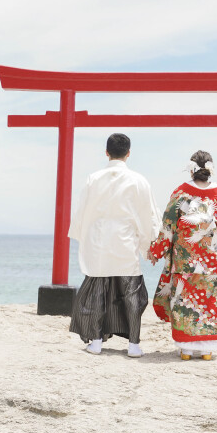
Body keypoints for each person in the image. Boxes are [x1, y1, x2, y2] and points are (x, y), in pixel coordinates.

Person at [148, 150, 217, 360]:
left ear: (191, 169)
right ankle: (206, 350)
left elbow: (168, 225)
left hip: (186, 258)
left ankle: (186, 349)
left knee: (184, 300)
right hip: (212, 260)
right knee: (209, 301)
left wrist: (157, 251)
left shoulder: (180, 193)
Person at [68, 133, 161, 358]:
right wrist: (148, 244)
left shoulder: (93, 178)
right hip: (125, 242)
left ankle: (97, 341)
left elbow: (82, 212)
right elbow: (147, 215)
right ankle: (134, 345)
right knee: (132, 295)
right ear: (128, 153)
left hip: (99, 242)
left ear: (106, 152)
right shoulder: (139, 180)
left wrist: (83, 236)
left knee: (97, 294)